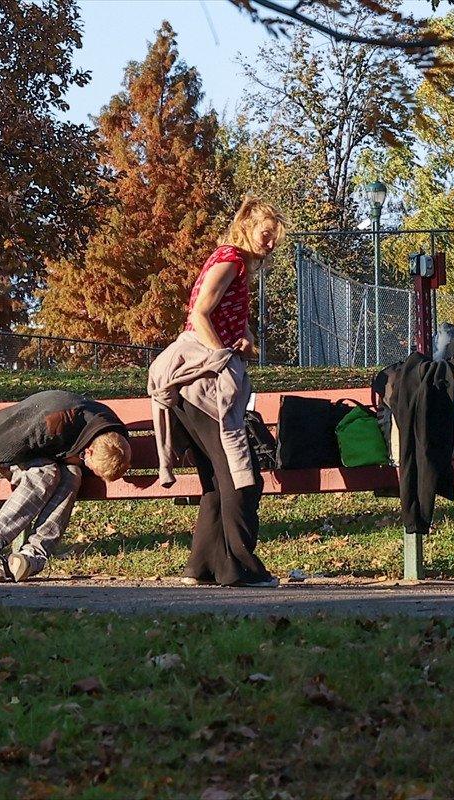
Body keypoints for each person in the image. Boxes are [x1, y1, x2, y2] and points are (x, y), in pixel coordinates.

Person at [148, 198, 287, 587]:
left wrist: (243, 337)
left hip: (189, 384)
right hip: (202, 384)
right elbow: (199, 315)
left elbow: (217, 316)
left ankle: (202, 567)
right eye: (266, 234)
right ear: (246, 227)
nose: (270, 243)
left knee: (214, 480)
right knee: (242, 477)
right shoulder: (232, 260)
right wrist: (221, 357)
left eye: (274, 237)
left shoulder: (229, 261)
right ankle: (239, 568)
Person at [0, 390, 132, 583]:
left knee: (73, 475)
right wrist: (16, 477)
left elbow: (73, 457)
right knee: (47, 473)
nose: (85, 465)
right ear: (89, 450)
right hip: (2, 441)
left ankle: (31, 556)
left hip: (45, 451)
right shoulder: (53, 422)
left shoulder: (114, 435)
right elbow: (0, 451)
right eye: (86, 461)